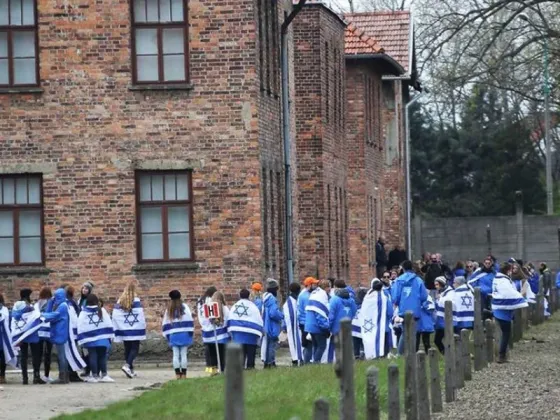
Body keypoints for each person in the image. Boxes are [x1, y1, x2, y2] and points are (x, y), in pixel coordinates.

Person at [41, 288, 81, 384]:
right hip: (60, 332)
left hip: (60, 333)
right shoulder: (63, 305)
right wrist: (50, 303)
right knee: (62, 356)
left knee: (61, 356)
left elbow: (52, 316)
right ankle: (65, 377)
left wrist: (41, 314)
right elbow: (49, 313)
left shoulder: (62, 306)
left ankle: (63, 377)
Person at [492, 262, 528, 363]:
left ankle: (502, 354)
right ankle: (501, 355)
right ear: (508, 270)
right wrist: (521, 296)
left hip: (498, 309)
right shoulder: (504, 281)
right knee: (506, 333)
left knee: (504, 333)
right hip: (502, 311)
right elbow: (509, 293)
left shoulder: (497, 279)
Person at [392, 260, 429, 355]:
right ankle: (411, 352)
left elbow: (395, 297)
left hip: (404, 309)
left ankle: (400, 353)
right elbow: (424, 296)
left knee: (405, 332)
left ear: (403, 269)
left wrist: (397, 303)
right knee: (413, 331)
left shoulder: (399, 280)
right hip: (415, 309)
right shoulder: (418, 280)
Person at [77, 294, 114, 383]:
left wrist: (81, 338)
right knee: (102, 356)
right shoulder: (102, 310)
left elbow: (81, 325)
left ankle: (94, 375)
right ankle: (104, 374)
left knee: (93, 356)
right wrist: (110, 335)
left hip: (90, 339)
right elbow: (108, 323)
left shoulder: (84, 312)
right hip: (103, 338)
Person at [112, 280, 146, 379]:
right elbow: (140, 315)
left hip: (124, 328)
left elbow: (116, 315)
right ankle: (127, 365)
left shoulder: (120, 300)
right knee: (135, 348)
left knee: (127, 348)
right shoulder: (136, 300)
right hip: (135, 328)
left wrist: (119, 326)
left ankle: (130, 369)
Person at [12, 289, 43, 385]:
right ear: (27, 295)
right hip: (31, 332)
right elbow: (35, 315)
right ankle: (36, 376)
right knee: (35, 355)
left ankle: (24, 378)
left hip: (21, 333)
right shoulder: (28, 306)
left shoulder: (16, 305)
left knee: (23, 356)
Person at [228, 289, 263, 370]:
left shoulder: (235, 306)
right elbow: (258, 318)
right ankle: (250, 366)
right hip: (251, 333)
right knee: (251, 350)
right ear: (249, 295)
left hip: (238, 333)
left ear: (240, 295)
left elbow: (231, 317)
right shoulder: (253, 306)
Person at [162, 290, 194, 379]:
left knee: (175, 355)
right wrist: (190, 332)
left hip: (173, 334)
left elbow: (165, 322)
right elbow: (190, 319)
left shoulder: (169, 309)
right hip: (184, 333)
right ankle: (184, 374)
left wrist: (167, 335)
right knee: (183, 354)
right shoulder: (185, 307)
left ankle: (177, 374)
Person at [360, 279, 393, 359]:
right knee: (383, 341)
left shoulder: (367, 297)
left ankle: (371, 355)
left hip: (369, 325)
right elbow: (390, 312)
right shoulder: (384, 297)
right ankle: (383, 355)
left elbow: (363, 311)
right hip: (383, 326)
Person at [329, 280, 357, 360]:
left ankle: (333, 361)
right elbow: (354, 312)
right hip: (347, 327)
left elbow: (331, 315)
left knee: (334, 346)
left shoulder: (334, 299)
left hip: (336, 328)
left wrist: (329, 326)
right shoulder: (351, 300)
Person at [305, 280, 331, 363]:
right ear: (326, 287)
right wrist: (326, 327)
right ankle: (316, 363)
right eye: (329, 287)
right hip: (317, 326)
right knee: (321, 346)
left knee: (316, 345)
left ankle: (315, 363)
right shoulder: (321, 296)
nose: (330, 289)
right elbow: (320, 314)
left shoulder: (314, 294)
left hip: (310, 325)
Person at [261, 278, 284, 368]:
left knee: (268, 344)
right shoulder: (272, 299)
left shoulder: (265, 297)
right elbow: (273, 313)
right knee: (272, 344)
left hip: (266, 324)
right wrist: (281, 315)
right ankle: (271, 362)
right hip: (272, 325)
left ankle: (267, 362)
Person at [196, 286, 218, 374]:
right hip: (210, 326)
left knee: (207, 347)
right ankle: (213, 366)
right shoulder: (210, 301)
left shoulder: (200, 301)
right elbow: (211, 314)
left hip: (203, 325)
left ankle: (208, 366)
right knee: (212, 348)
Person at [298, 277, 318, 364]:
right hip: (307, 323)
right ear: (309, 285)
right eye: (314, 284)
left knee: (308, 343)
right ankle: (306, 362)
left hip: (304, 322)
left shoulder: (303, 295)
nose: (316, 285)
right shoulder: (307, 297)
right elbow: (309, 311)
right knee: (309, 344)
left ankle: (306, 361)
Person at [35, 287, 54, 383]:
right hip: (49, 331)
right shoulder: (51, 303)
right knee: (48, 354)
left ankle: (37, 373)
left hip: (38, 330)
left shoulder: (37, 304)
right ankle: (46, 375)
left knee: (38, 354)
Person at [208, 291, 229, 374]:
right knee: (222, 354)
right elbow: (227, 319)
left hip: (211, 335)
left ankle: (214, 371)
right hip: (222, 334)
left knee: (212, 354)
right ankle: (222, 370)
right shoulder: (224, 308)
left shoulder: (209, 307)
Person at [282, 282, 303, 366]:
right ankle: (296, 359)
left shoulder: (291, 301)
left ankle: (297, 358)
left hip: (296, 326)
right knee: (294, 341)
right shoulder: (290, 303)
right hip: (294, 327)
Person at [434, 276, 454, 354]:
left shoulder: (450, 292)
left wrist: (440, 299)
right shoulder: (440, 292)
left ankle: (448, 354)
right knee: (437, 340)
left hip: (447, 320)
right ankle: (446, 354)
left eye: (437, 285)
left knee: (443, 339)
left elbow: (448, 303)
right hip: (440, 320)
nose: (436, 287)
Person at [0, 293, 17, 384]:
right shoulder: (5, 310)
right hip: (3, 337)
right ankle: (2, 376)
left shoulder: (4, 310)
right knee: (2, 356)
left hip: (3, 337)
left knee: (2, 356)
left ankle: (2, 376)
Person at [352, 288, 367, 359]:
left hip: (353, 325)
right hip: (361, 326)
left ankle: (356, 356)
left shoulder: (353, 303)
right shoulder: (365, 304)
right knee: (362, 342)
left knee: (355, 343)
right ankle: (362, 353)